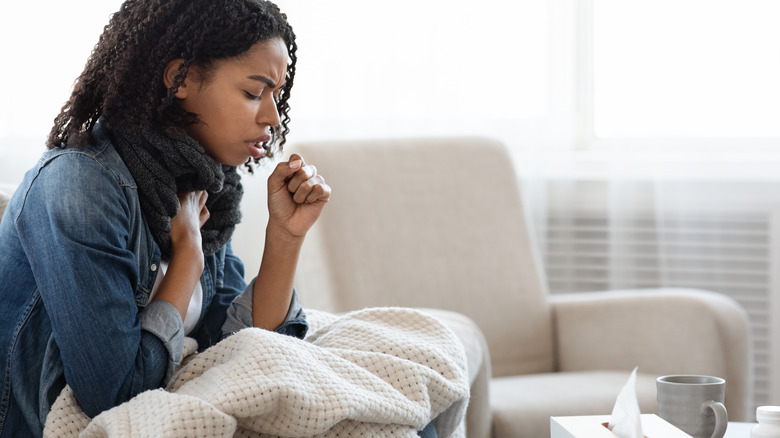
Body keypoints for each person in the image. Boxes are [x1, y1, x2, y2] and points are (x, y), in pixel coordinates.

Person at [0, 0, 340, 436]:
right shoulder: (79, 187)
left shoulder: (201, 182)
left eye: (277, 95)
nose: (273, 117)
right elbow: (114, 393)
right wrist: (187, 259)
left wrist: (286, 236)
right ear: (180, 78)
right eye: (255, 93)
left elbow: (241, 346)